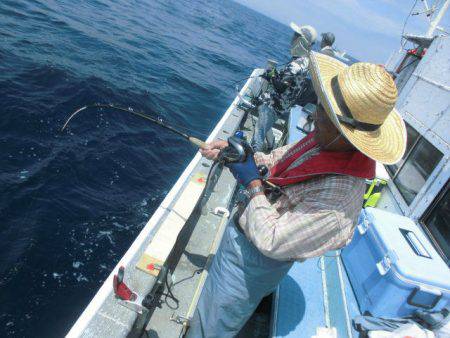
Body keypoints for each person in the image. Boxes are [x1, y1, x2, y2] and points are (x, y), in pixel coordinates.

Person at [187, 52, 407, 338]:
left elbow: (273, 241)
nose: (314, 116)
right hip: (242, 239)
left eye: (324, 116)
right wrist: (244, 158)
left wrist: (252, 182)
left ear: (348, 134)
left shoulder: (341, 199)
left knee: (211, 326)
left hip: (252, 262)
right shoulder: (326, 141)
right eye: (320, 106)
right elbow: (282, 158)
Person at [251, 23, 318, 152]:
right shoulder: (305, 61)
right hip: (284, 105)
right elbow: (290, 82)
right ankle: (271, 144)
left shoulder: (296, 65)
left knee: (258, 133)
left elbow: (281, 87)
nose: (293, 37)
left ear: (301, 41)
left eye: (296, 35)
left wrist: (271, 75)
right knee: (265, 124)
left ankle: (254, 158)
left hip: (274, 105)